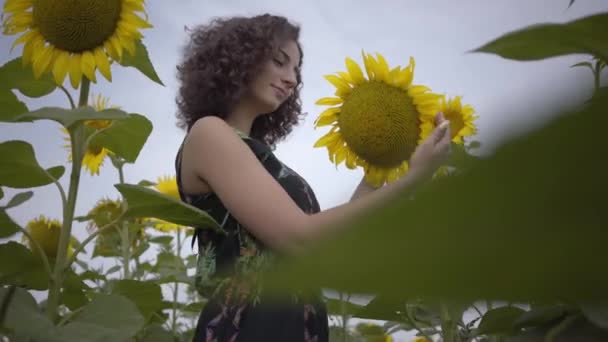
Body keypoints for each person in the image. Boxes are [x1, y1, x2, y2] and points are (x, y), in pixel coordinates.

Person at [174, 13, 452, 342]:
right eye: (280, 61)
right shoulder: (209, 134)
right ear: (240, 58)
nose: (291, 79)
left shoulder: (257, 157)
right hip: (248, 326)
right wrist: (413, 180)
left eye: (296, 70)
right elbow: (299, 238)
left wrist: (377, 173)